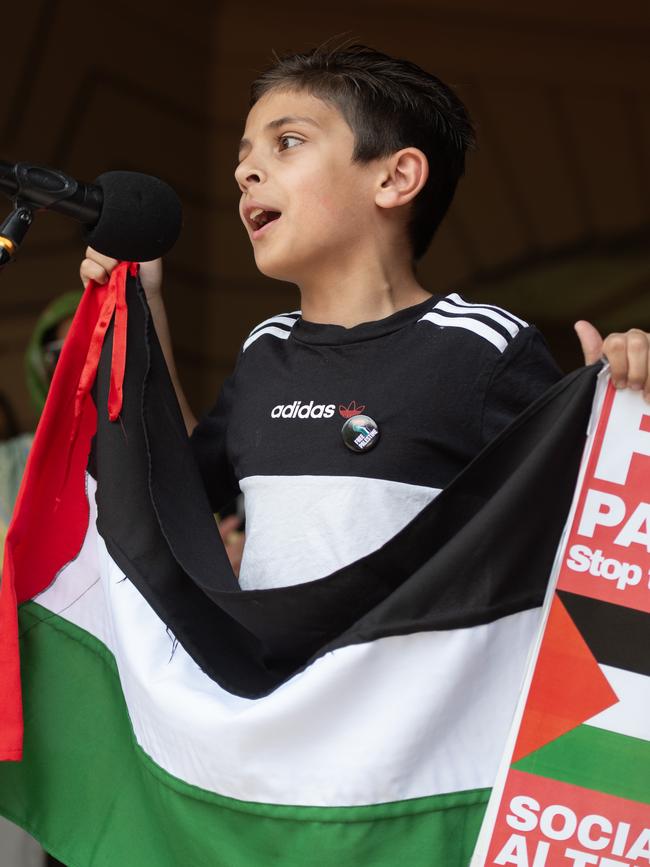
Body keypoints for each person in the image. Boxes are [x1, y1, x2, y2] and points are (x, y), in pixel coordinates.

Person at [80, 43, 650, 592]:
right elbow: (183, 485)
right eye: (244, 155)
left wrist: (631, 410)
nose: (245, 173)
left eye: (288, 142)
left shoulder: (482, 347)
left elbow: (587, 533)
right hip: (269, 690)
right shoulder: (265, 349)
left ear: (395, 178)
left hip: (418, 690)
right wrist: (146, 304)